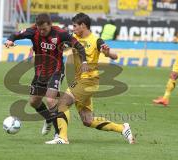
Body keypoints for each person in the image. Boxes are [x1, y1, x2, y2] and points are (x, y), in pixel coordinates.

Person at [45, 13, 135, 144]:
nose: (73, 28)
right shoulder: (74, 38)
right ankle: (122, 128)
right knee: (88, 120)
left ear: (83, 25)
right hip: (80, 81)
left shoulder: (96, 40)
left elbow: (114, 56)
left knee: (63, 103)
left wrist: (108, 52)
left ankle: (62, 137)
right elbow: (60, 47)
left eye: (75, 26)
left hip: (89, 81)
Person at [4, 13, 88, 137]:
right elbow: (16, 34)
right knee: (33, 102)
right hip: (40, 72)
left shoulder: (60, 33)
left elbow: (79, 46)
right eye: (39, 29)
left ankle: (58, 134)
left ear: (50, 25)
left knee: (50, 99)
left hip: (56, 71)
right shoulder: (33, 31)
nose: (42, 31)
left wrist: (84, 62)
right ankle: (48, 118)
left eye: (44, 29)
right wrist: (10, 40)